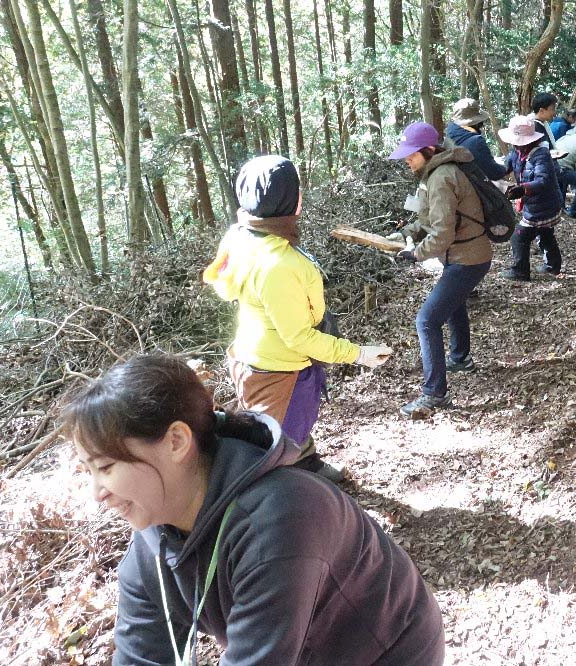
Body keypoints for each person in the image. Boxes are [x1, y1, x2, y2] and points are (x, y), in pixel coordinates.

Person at [63, 354, 445, 665]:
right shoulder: (152, 545)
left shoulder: (278, 519)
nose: (98, 493)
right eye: (88, 471)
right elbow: (141, 657)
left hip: (389, 652)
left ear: (176, 441)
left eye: (107, 467)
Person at [203, 155, 392, 481]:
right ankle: (289, 489)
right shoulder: (280, 265)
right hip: (280, 372)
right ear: (290, 201)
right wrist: (359, 354)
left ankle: (307, 462)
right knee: (276, 446)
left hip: (252, 357)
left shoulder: (241, 236)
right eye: (297, 189)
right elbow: (300, 337)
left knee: (288, 428)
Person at [385, 121, 492, 418]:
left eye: (411, 154)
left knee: (426, 321)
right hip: (463, 256)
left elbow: (442, 234)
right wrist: (405, 233)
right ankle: (460, 358)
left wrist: (415, 254)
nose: (407, 160)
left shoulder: (442, 177)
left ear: (429, 150)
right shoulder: (435, 173)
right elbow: (430, 219)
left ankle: (434, 394)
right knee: (454, 304)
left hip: (467, 258)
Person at [500, 115, 564, 280]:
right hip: (535, 204)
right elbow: (504, 168)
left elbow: (543, 180)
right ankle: (553, 266)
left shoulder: (541, 155)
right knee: (545, 233)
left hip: (544, 206)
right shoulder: (516, 153)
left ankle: (520, 271)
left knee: (519, 236)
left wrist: (523, 189)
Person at [445, 98, 509, 181]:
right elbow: (494, 173)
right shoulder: (476, 142)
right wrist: (507, 164)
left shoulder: (448, 137)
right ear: (477, 123)